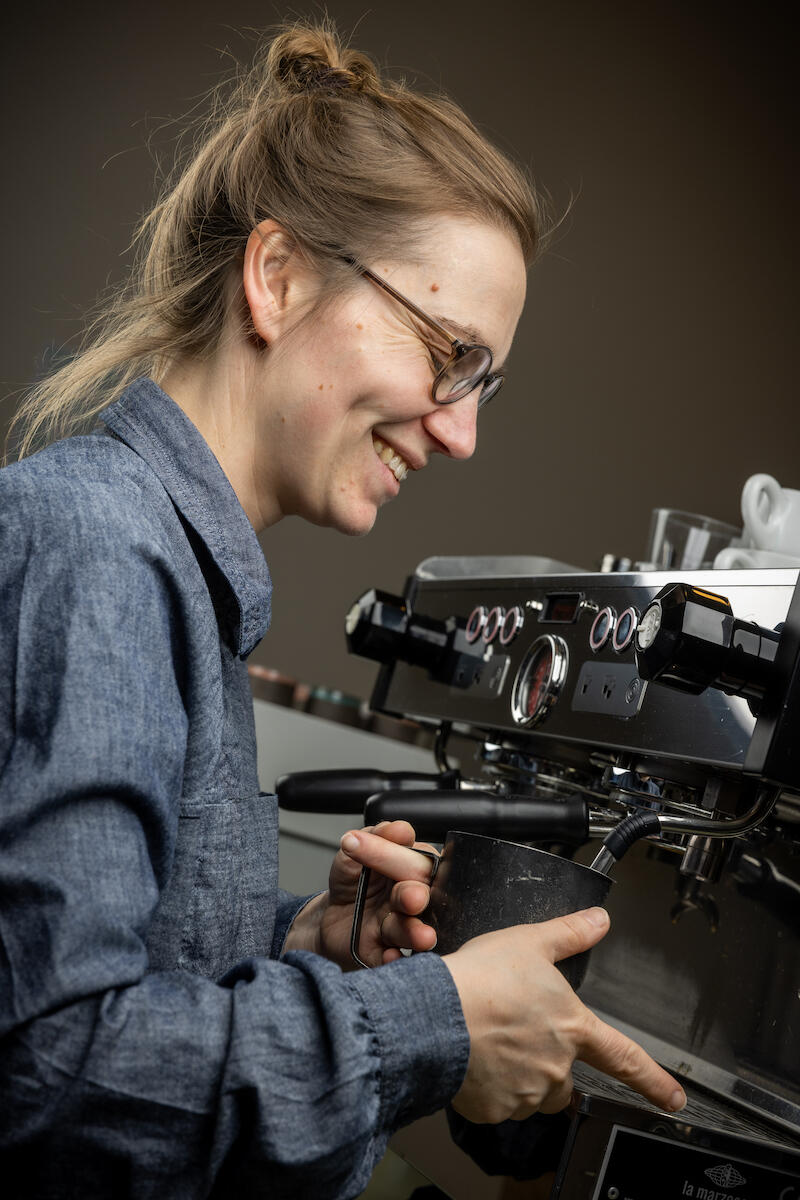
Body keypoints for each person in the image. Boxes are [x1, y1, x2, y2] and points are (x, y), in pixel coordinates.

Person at [0, 19, 686, 1198]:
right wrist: (435, 1020)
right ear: (276, 279)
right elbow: (54, 1068)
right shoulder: (102, 548)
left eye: (485, 386)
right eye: (447, 354)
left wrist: (297, 942)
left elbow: (102, 966)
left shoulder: (162, 564)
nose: (461, 432)